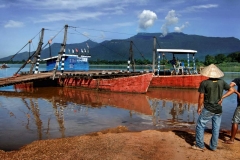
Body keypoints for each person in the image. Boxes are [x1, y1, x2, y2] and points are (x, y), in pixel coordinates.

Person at [192, 64, 234, 151]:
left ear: (208, 74)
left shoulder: (204, 83)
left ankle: (200, 145)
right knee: (216, 127)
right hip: (218, 109)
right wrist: (222, 97)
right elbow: (232, 90)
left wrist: (199, 107)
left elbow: (201, 97)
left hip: (208, 108)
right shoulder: (221, 82)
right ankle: (213, 146)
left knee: (200, 125)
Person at [223, 78, 240, 144]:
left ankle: (232, 139)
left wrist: (237, 93)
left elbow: (229, 86)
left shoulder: (238, 80)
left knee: (235, 121)